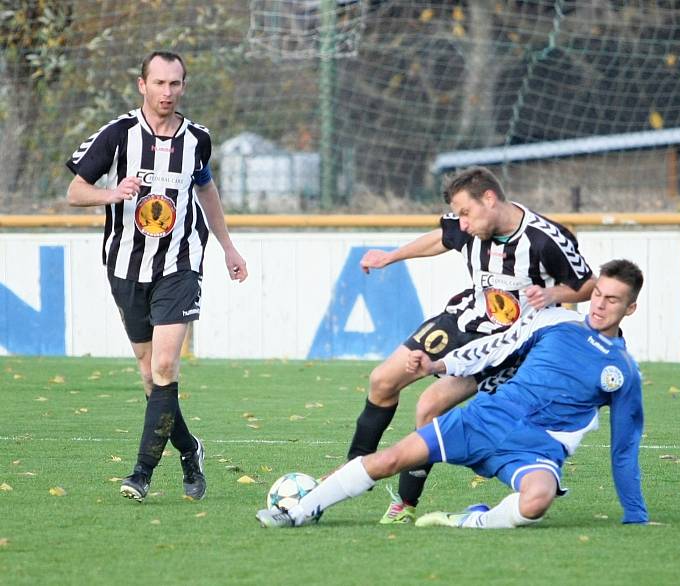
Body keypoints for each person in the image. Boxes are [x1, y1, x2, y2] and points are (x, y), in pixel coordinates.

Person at [257, 259, 647, 529]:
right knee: (392, 457)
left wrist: (635, 514)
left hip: (536, 450)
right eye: (598, 294)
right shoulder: (555, 322)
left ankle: (471, 520)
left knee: (537, 500)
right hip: (485, 419)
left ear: (630, 308)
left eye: (612, 300)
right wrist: (437, 367)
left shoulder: (624, 372)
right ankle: (300, 512)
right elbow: (493, 348)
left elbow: (624, 447)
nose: (599, 304)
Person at [349, 166, 595, 524]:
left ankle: (405, 504)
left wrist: (553, 293)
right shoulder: (467, 224)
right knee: (382, 380)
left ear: (490, 199)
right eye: (458, 214)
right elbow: (441, 238)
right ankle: (354, 468)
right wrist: (391, 256)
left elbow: (587, 284)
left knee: (429, 407)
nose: (461, 223)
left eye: (466, 212)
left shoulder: (546, 239)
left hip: (506, 343)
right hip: (464, 318)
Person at [65, 51, 248, 501]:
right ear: (141, 84)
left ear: (184, 86)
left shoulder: (197, 140)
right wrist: (113, 192)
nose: (167, 92)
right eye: (159, 83)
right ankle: (189, 450)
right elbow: (74, 191)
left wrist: (227, 246)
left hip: (179, 266)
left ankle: (141, 474)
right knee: (151, 379)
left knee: (166, 365)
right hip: (126, 267)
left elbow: (206, 189)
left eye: (176, 84)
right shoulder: (118, 135)